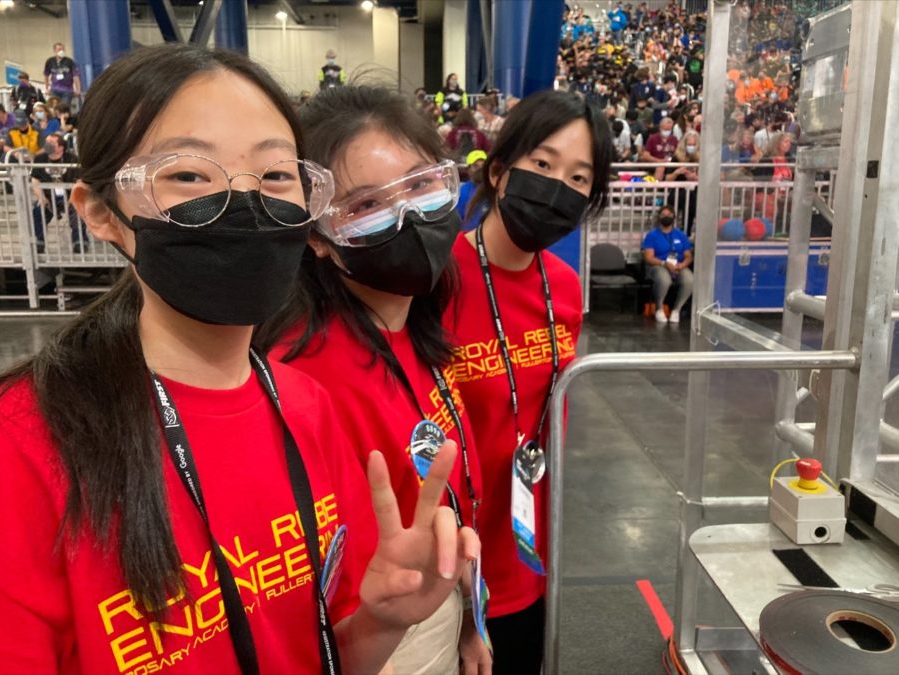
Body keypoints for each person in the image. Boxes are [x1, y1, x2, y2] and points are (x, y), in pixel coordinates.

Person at [0, 44, 477, 673]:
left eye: (276, 176)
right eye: (191, 175)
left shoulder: (307, 407)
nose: (244, 203)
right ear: (101, 213)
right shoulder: (28, 446)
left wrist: (384, 619)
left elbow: (324, 653)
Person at [257, 85, 490, 675]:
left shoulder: (419, 329)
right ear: (317, 237)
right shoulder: (301, 373)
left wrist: (468, 619)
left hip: (439, 603)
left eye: (419, 183)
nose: (408, 214)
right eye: (364, 206)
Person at [446, 90, 612, 674]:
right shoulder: (436, 281)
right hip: (449, 565)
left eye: (578, 177)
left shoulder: (563, 287)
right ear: (498, 170)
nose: (557, 186)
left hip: (525, 551)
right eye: (542, 165)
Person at [30, 132, 87, 253]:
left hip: (69, 196)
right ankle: (39, 242)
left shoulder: (71, 158)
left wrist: (73, 197)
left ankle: (79, 242)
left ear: (61, 147)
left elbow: (80, 180)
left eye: (51, 143)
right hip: (48, 196)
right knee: (37, 210)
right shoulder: (40, 159)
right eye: (47, 142)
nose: (47, 145)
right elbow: (35, 179)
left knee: (78, 210)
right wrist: (41, 197)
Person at [641, 205, 693, 324]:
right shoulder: (652, 235)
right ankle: (659, 308)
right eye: (663, 215)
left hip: (678, 265)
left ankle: (676, 310)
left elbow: (688, 256)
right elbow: (648, 257)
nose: (666, 217)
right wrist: (664, 263)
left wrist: (682, 265)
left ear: (674, 217)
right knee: (664, 280)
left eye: (669, 215)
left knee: (689, 280)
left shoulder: (680, 235)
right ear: (659, 217)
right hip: (658, 265)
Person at [457, 149, 488, 230]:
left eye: (483, 166)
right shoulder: (461, 192)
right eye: (476, 166)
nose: (480, 169)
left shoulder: (495, 189)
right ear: (468, 170)